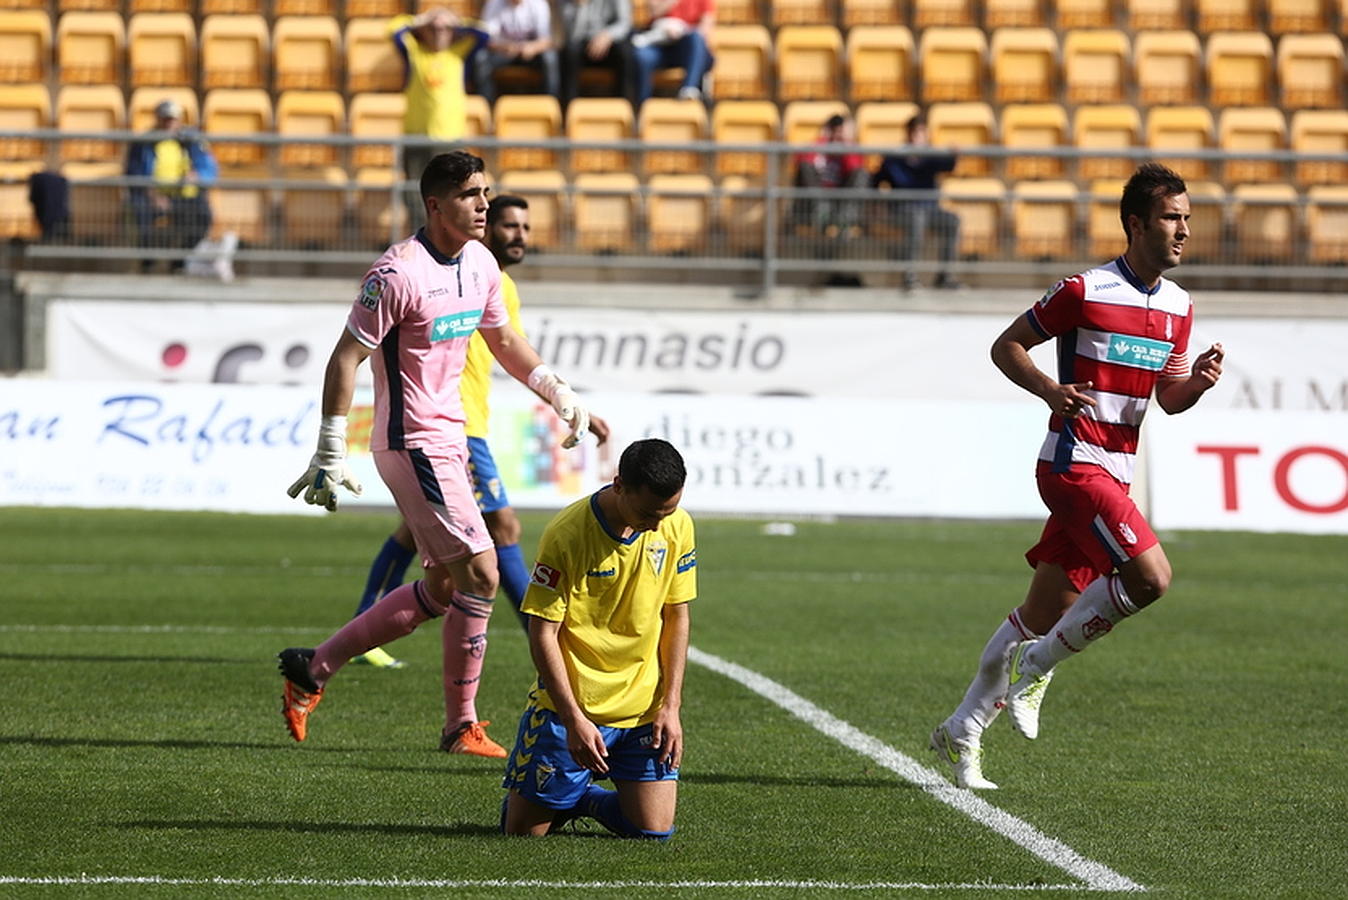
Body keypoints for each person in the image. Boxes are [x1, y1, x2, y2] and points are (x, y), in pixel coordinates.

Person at [279, 151, 594, 759]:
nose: (483, 204)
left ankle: (312, 668)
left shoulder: (480, 264)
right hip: (411, 439)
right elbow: (346, 357)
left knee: (449, 587)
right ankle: (460, 726)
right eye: (471, 195)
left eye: (485, 192)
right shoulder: (396, 274)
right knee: (482, 571)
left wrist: (556, 389)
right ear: (435, 204)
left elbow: (503, 340)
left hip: (450, 437)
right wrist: (329, 446)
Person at [928, 163, 1225, 790]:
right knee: (1151, 578)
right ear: (1136, 224)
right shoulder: (1084, 290)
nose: (1184, 232)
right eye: (1173, 219)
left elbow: (1166, 398)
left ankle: (964, 726)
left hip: (1117, 474)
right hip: (1072, 463)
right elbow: (1007, 345)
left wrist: (1194, 383)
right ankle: (1038, 668)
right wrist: (1049, 390)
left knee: (1039, 614)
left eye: (1188, 220)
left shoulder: (1179, 308)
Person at [352, 195, 611, 675]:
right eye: (509, 225)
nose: (520, 235)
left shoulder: (490, 279)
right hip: (455, 427)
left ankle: (364, 623)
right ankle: (539, 630)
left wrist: (565, 397)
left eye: (526, 227)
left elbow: (512, 348)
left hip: (462, 425)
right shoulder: (468, 274)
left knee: (417, 534)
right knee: (502, 527)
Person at [501, 438, 695, 839]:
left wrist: (671, 706)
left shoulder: (677, 525)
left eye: (668, 511)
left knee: (654, 831)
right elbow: (543, 631)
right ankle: (545, 798)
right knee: (523, 834)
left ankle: (580, 798)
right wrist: (573, 720)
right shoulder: (567, 534)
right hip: (574, 710)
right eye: (648, 513)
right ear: (619, 484)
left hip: (644, 711)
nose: (658, 524)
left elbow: (676, 615)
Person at [390, 7, 488, 226]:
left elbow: (484, 34)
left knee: (451, 191)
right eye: (433, 29)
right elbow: (394, 30)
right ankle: (420, 230)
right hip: (416, 136)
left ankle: (447, 232)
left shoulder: (459, 54)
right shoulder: (414, 53)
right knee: (414, 189)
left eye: (444, 29)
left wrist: (455, 21)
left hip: (449, 139)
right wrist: (422, 19)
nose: (438, 32)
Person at [125, 99, 217, 272]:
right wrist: (152, 194)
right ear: (158, 119)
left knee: (203, 216)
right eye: (165, 119)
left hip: (183, 196)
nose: (169, 123)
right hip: (152, 196)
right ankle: (148, 262)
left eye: (172, 119)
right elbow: (133, 172)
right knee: (139, 211)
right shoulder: (143, 143)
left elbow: (208, 168)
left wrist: (197, 176)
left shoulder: (192, 141)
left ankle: (180, 260)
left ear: (179, 120)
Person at [872, 113, 961, 291]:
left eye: (921, 132)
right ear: (907, 133)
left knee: (952, 220)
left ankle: (945, 276)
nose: (917, 136)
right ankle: (909, 276)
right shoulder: (894, 157)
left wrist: (954, 155)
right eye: (914, 132)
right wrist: (878, 205)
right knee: (916, 219)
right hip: (902, 210)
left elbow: (948, 165)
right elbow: (876, 180)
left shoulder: (931, 156)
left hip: (930, 210)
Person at [474, 0, 561, 105]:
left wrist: (532, 47)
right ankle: (487, 108)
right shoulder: (494, 3)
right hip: (504, 52)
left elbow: (547, 40)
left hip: (532, 53)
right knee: (481, 58)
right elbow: (487, 39)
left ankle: (550, 106)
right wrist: (506, 47)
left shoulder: (538, 3)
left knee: (550, 58)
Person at [629, 0, 715, 106]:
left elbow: (705, 28)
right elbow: (654, 11)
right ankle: (643, 105)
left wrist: (683, 32)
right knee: (642, 56)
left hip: (687, 48)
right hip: (660, 45)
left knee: (696, 39)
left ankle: (689, 90)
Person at [559, 0, 634, 107]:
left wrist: (607, 35)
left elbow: (625, 24)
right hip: (584, 44)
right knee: (569, 51)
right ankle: (569, 108)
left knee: (625, 53)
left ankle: (623, 108)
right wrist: (581, 8)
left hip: (611, 42)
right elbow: (572, 36)